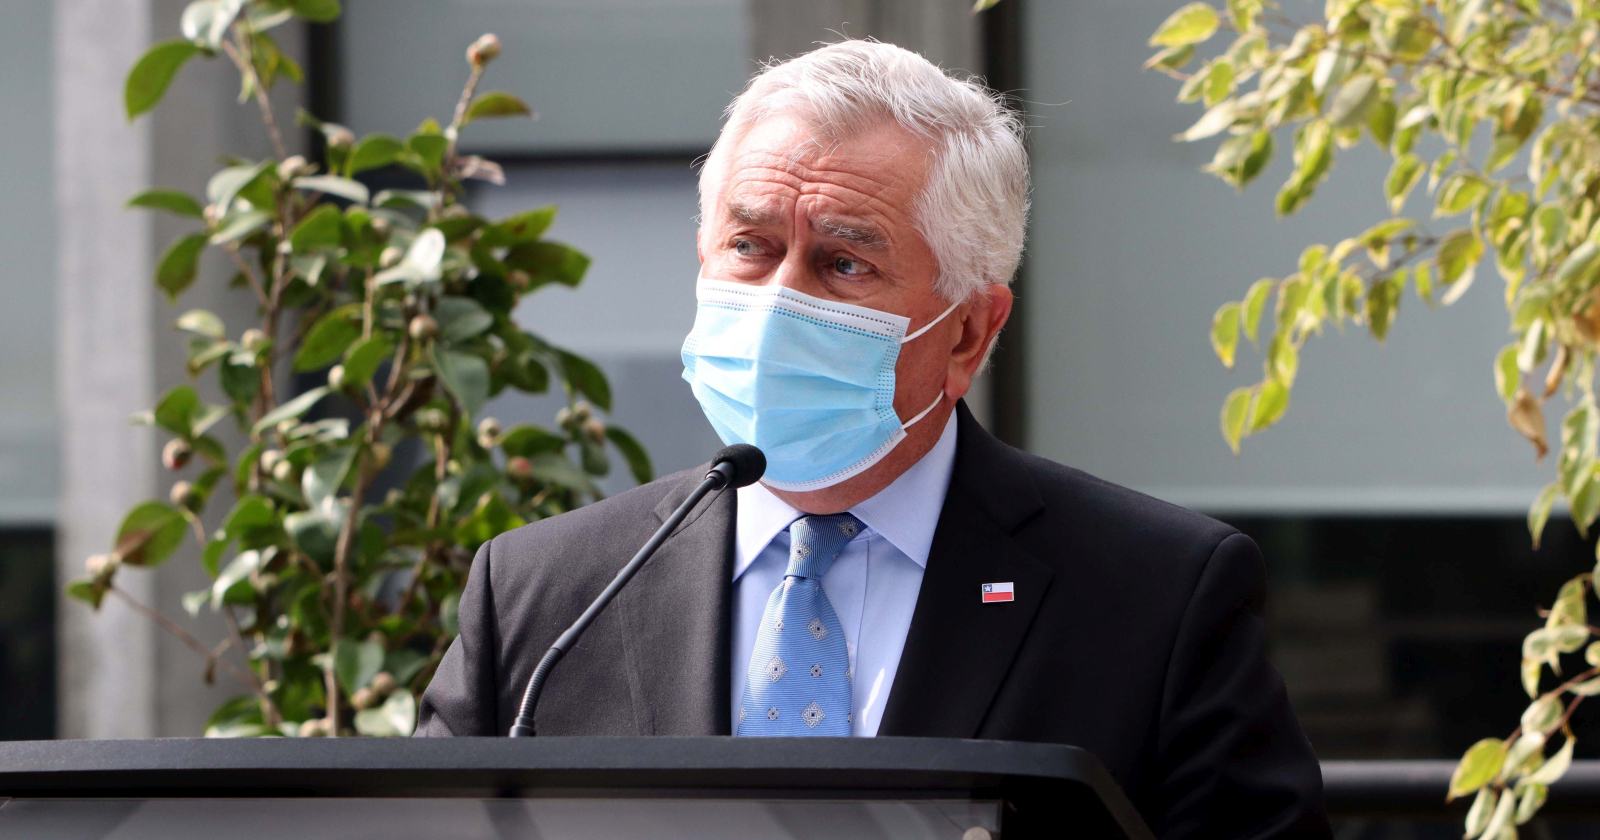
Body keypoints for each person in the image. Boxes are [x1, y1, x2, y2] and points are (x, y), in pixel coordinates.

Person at [417, 39, 1330, 837]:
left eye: (845, 262)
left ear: (968, 332)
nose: (779, 301)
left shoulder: (1154, 598)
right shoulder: (544, 596)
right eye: (750, 246)